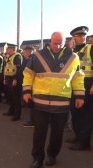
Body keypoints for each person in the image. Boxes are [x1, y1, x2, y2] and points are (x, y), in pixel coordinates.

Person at [23, 32, 85, 168]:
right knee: (39, 133)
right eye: (55, 42)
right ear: (49, 41)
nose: (58, 45)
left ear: (64, 42)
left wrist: (79, 95)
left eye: (60, 43)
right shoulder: (38, 55)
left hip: (61, 103)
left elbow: (78, 78)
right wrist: (26, 91)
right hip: (40, 103)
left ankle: (52, 155)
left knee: (57, 133)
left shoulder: (73, 57)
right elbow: (28, 74)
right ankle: (37, 158)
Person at [67, 26, 93, 151]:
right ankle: (78, 136)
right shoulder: (73, 52)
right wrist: (69, 48)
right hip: (74, 85)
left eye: (83, 35)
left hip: (88, 84)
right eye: (78, 36)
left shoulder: (90, 48)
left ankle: (84, 142)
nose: (81, 37)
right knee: (75, 112)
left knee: (86, 114)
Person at [3, 44, 23, 121]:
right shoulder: (10, 57)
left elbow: (19, 69)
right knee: (11, 96)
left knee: (16, 98)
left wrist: (15, 79)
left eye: (8, 49)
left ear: (12, 49)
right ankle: (11, 111)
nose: (7, 51)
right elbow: (7, 68)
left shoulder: (17, 56)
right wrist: (5, 78)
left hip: (14, 79)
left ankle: (17, 115)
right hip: (9, 78)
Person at [18, 46, 35, 127]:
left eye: (24, 52)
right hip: (28, 83)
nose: (23, 53)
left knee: (31, 102)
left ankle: (32, 121)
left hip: (30, 84)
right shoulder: (29, 59)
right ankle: (33, 120)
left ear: (28, 51)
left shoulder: (30, 59)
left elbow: (25, 72)